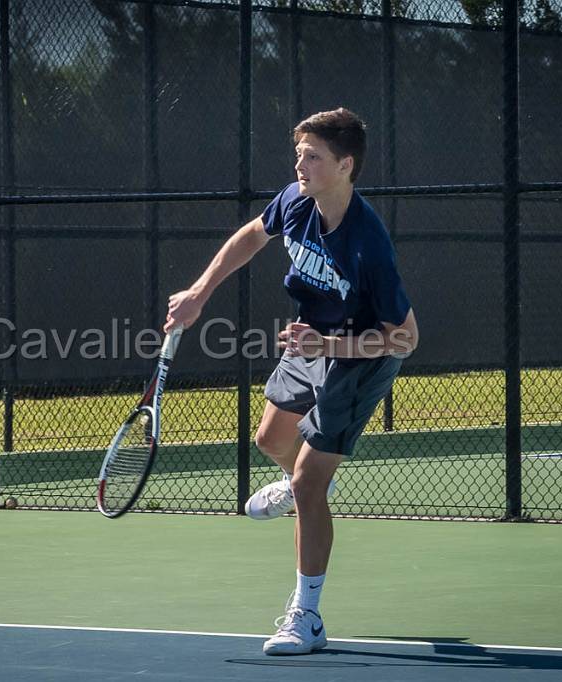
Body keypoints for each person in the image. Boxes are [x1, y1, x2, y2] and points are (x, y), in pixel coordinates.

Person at [164, 107, 419, 655]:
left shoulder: (368, 242)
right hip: (313, 340)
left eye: (313, 156)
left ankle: (307, 616)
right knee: (272, 441)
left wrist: (329, 347)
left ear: (345, 165)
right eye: (299, 154)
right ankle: (306, 487)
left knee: (307, 482)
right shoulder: (296, 201)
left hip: (361, 355)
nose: (300, 164)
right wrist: (199, 293)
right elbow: (252, 236)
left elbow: (405, 338)